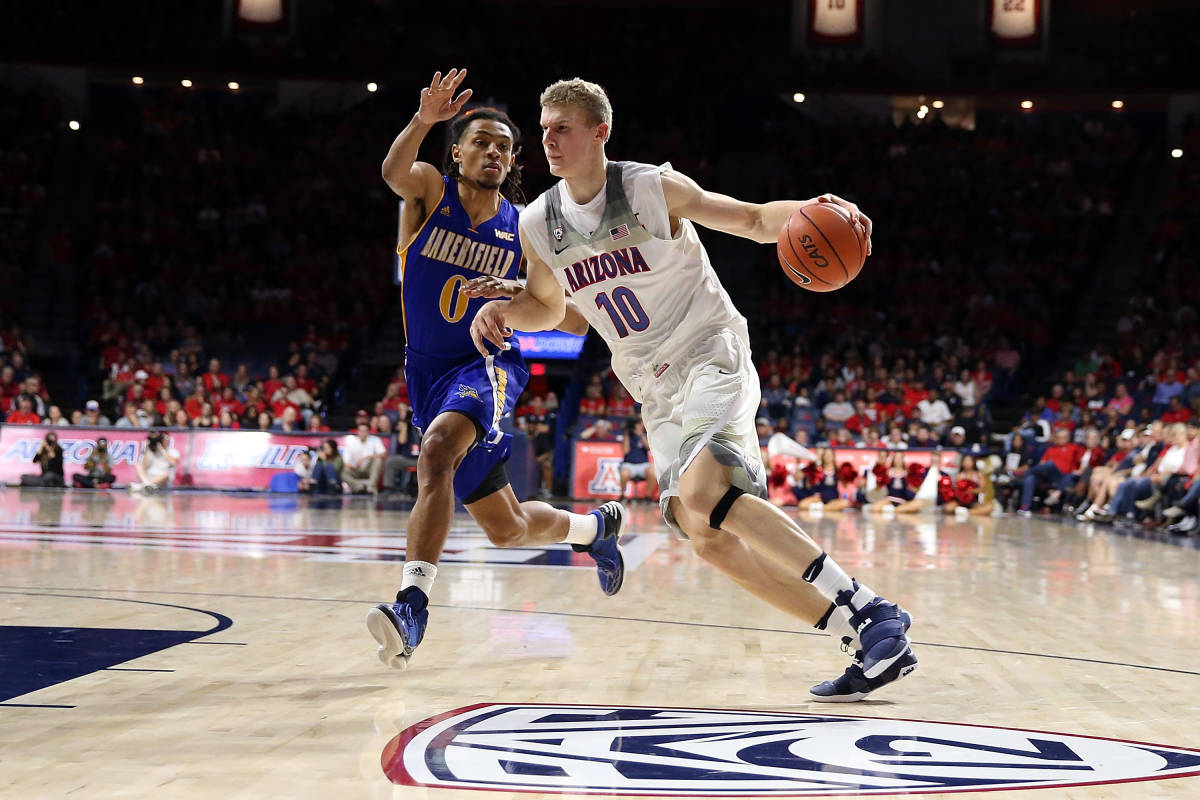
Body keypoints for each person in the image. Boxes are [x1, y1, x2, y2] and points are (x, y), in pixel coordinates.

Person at [470, 77, 913, 701]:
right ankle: (860, 638)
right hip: (653, 387)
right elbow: (550, 307)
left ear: (601, 132)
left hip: (709, 351)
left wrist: (824, 210)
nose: (548, 140)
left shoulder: (650, 188)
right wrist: (503, 309)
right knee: (702, 533)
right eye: (543, 129)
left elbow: (757, 221)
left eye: (562, 127)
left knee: (705, 491)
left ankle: (871, 609)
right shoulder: (539, 221)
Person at [367, 70, 626, 672]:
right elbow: (392, 172)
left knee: (436, 452)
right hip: (427, 372)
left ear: (514, 161)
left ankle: (412, 606)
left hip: (486, 365)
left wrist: (517, 289)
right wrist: (423, 120)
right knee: (506, 529)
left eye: (505, 146)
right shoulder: (430, 190)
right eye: (481, 141)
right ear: (457, 151)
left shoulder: (528, 228)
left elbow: (572, 323)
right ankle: (593, 532)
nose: (494, 152)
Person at [342, 421, 386, 495]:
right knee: (344, 472)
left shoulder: (375, 440)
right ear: (358, 432)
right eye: (360, 431)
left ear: (368, 432)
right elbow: (346, 462)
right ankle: (359, 487)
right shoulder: (352, 442)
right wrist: (353, 466)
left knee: (378, 460)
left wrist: (367, 457)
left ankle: (371, 488)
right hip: (356, 469)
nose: (362, 433)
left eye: (365, 431)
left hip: (369, 469)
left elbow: (383, 454)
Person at [620, 418, 657, 500]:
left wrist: (640, 435)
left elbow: (648, 448)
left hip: (643, 465)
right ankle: (622, 495)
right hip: (629, 465)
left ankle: (648, 496)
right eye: (638, 424)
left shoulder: (644, 435)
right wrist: (626, 434)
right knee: (624, 474)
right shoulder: (627, 436)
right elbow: (625, 451)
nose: (640, 426)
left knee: (652, 471)